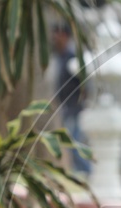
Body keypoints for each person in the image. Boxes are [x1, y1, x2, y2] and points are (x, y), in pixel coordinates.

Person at [51, 23, 91, 175]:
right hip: (67, 107)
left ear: (66, 36)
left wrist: (81, 103)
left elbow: (85, 83)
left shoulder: (73, 56)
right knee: (70, 143)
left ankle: (89, 172)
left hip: (75, 108)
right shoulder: (61, 56)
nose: (55, 37)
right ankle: (82, 173)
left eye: (58, 33)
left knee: (73, 144)